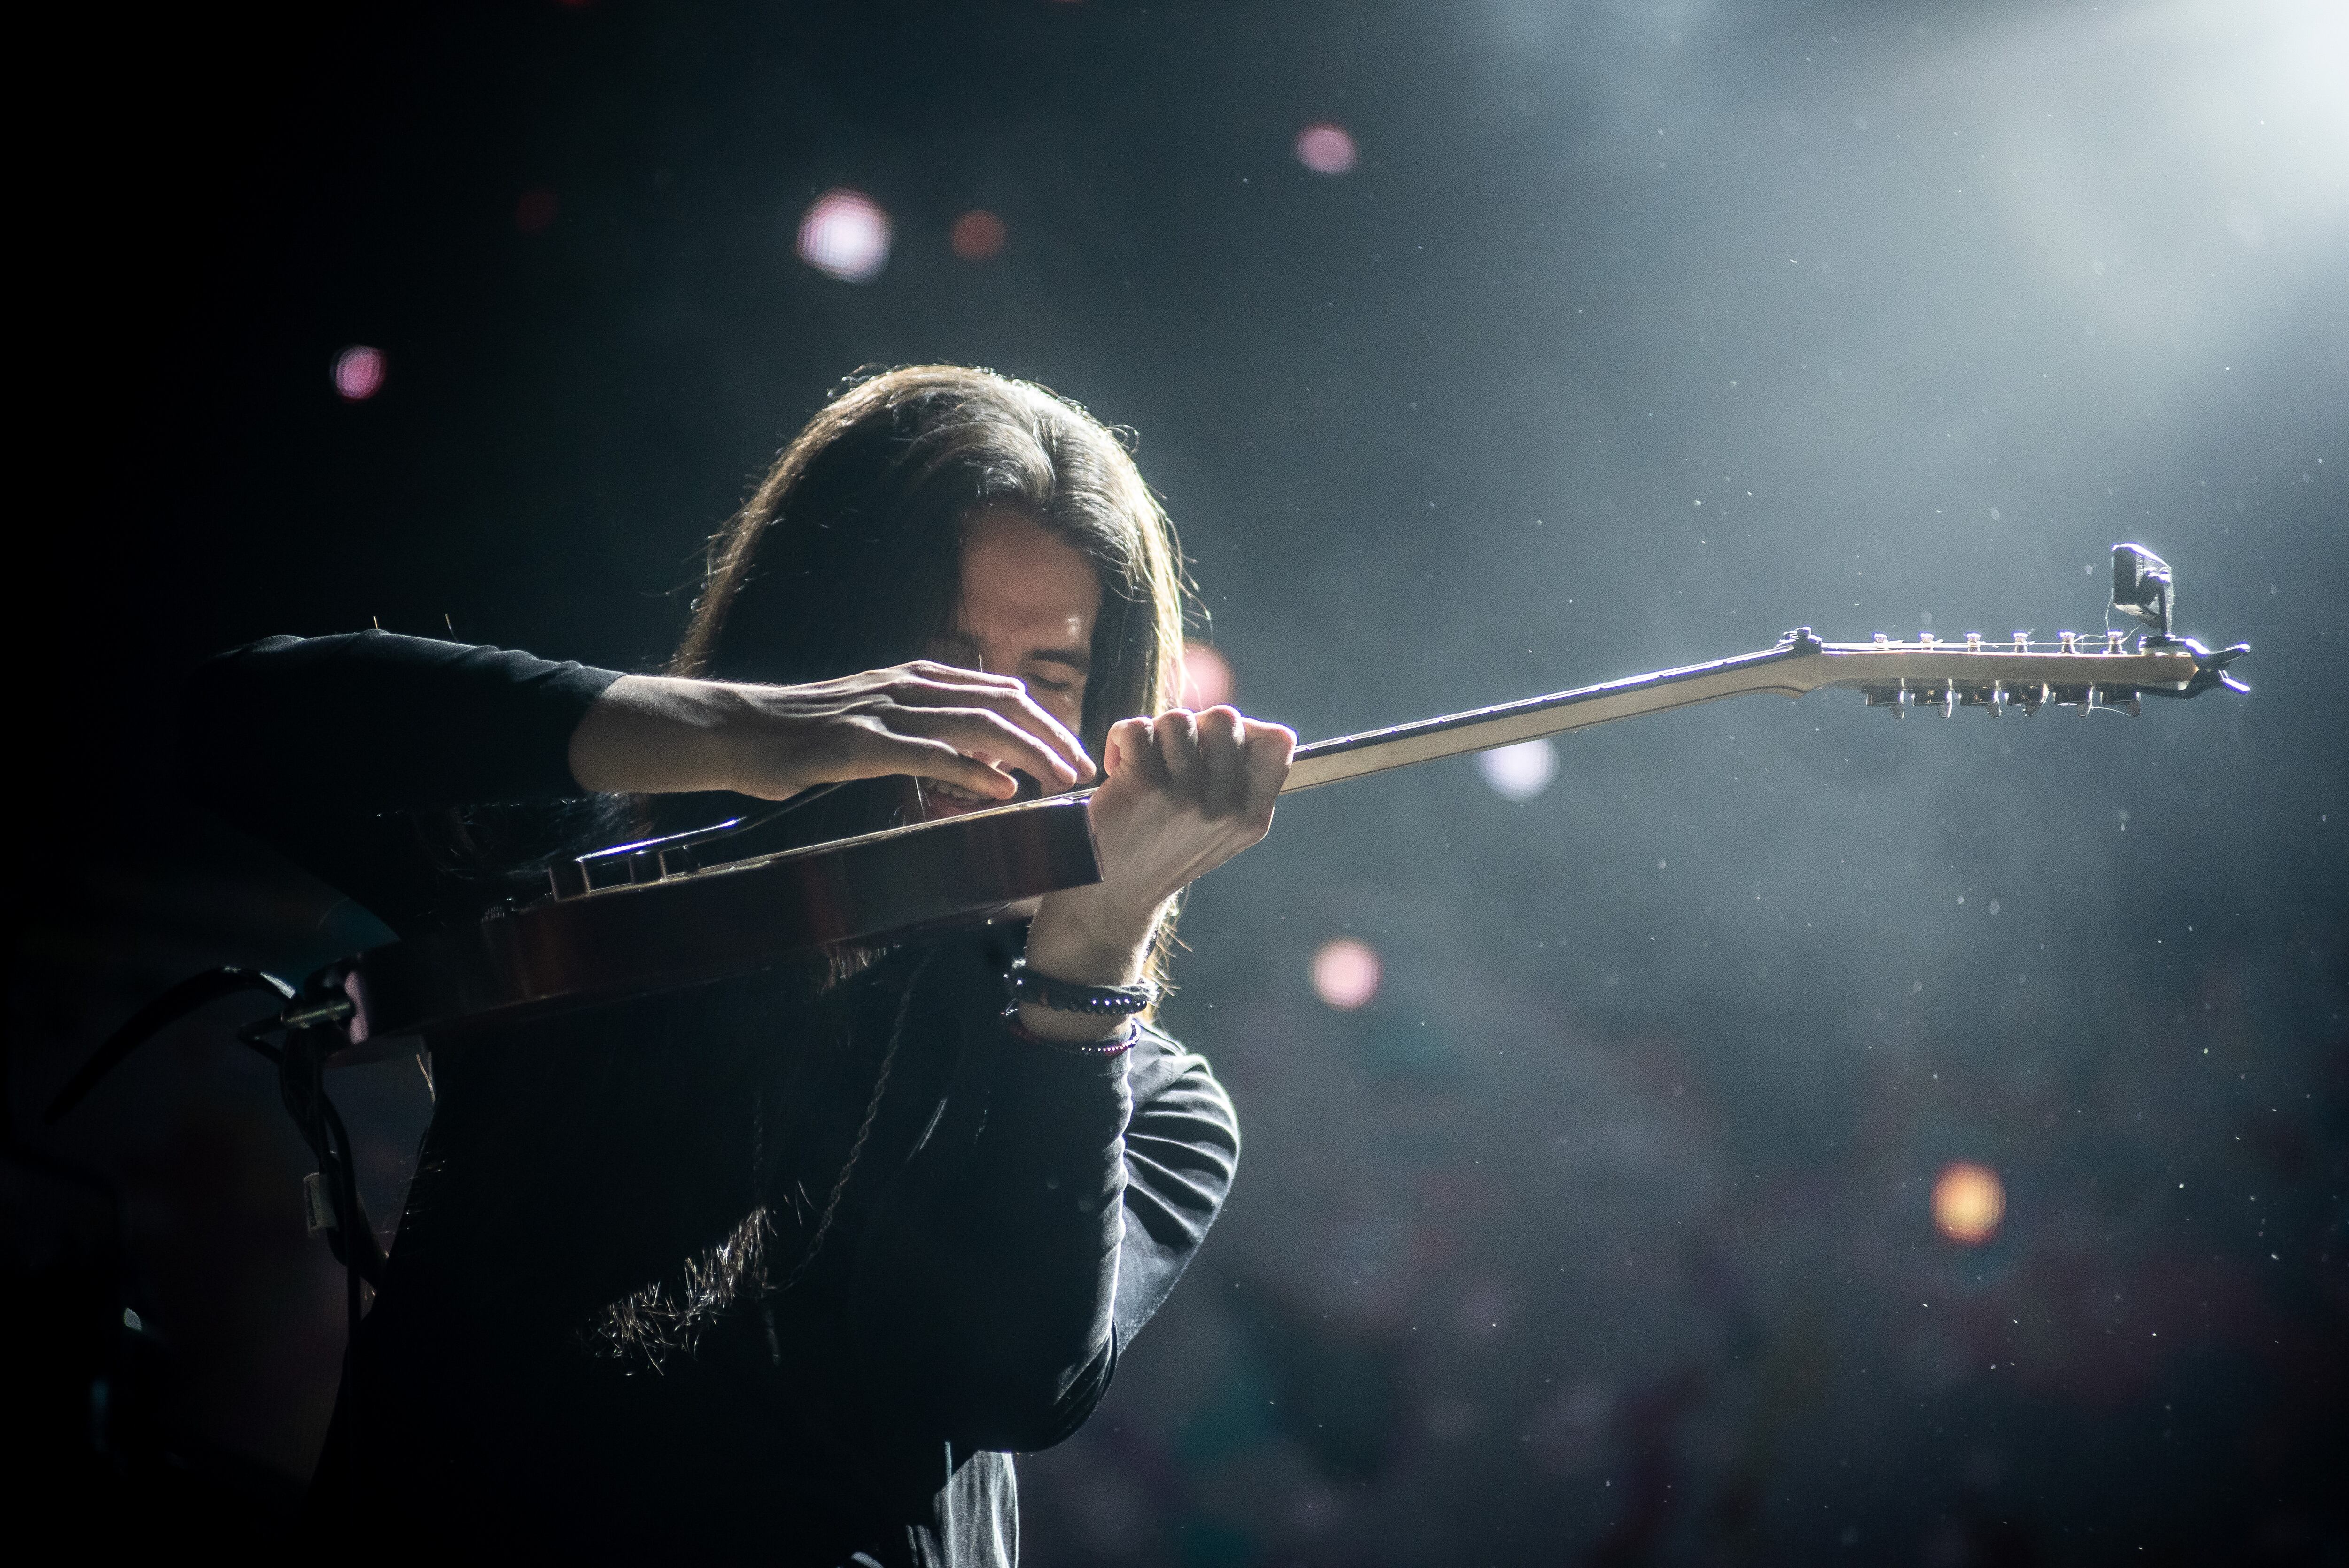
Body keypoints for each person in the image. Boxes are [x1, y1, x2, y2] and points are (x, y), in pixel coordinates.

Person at [178, 365, 1295, 1563]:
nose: (984, 727)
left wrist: (1090, 948)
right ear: (827, 651)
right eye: (938, 659)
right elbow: (242, 720)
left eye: (1047, 682)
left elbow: (999, 1379)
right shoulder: (603, 902)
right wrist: (743, 730)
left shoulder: (1148, 1095)